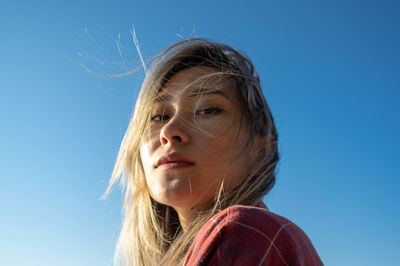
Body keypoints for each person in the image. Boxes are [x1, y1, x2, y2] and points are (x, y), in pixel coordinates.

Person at [104, 38, 323, 265]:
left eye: (208, 110)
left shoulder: (243, 230)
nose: (169, 131)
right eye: (159, 116)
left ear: (262, 151)